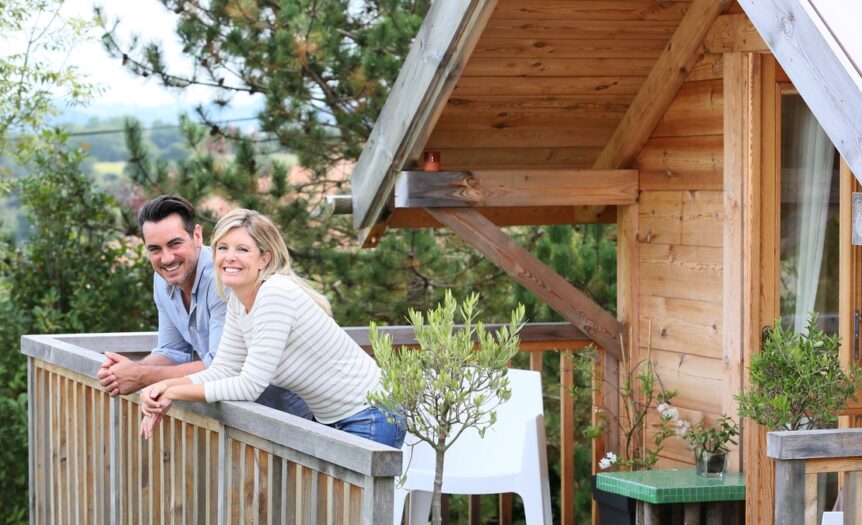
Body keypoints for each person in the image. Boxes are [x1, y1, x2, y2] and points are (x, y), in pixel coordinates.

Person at [138, 208, 405, 448]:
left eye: (242, 249)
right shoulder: (237, 301)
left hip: (370, 415)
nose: (230, 257)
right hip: (332, 421)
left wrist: (171, 391)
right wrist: (160, 388)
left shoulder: (274, 293)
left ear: (264, 259)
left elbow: (249, 385)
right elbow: (223, 370)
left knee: (351, 506)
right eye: (223, 248)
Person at [97, 195, 312, 419]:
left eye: (174, 243)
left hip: (293, 415)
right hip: (246, 419)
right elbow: (172, 351)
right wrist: (123, 373)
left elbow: (220, 367)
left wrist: (142, 377)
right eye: (155, 249)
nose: (166, 258)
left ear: (197, 235)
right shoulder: (162, 279)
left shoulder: (224, 279)